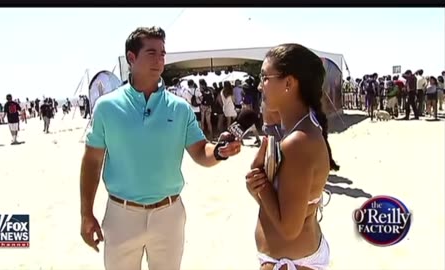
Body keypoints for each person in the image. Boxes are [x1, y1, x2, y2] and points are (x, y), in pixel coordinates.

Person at [79, 26, 242, 270]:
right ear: (131, 58)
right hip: (121, 215)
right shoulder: (106, 107)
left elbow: (200, 151)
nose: (160, 60)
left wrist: (218, 152)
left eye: (163, 53)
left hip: (169, 215)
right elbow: (92, 161)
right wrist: (86, 213)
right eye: (152, 53)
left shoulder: (180, 108)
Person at [245, 43, 339, 270]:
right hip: (292, 258)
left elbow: (288, 229)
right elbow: (285, 209)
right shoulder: (299, 131)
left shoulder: (297, 142)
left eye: (265, 77)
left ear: (288, 83)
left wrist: (261, 187)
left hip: (292, 262)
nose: (259, 86)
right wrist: (257, 187)